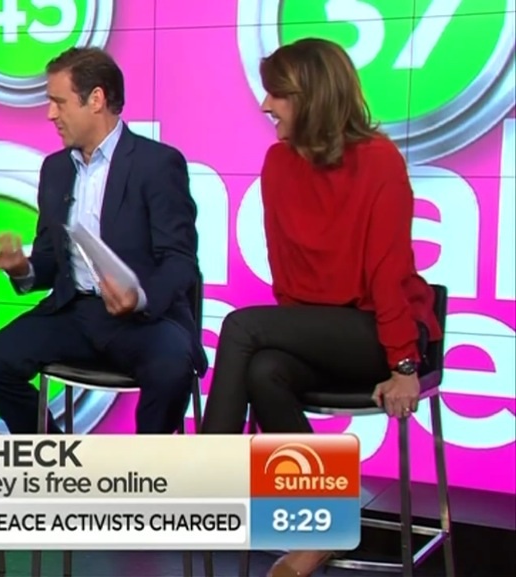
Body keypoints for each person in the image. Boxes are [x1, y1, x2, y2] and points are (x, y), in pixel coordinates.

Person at [198, 38, 443, 577]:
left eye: (278, 94)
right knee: (265, 369)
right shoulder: (278, 163)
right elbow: (287, 270)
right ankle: (324, 523)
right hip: (320, 331)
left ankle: (207, 477)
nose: (265, 105)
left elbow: (388, 272)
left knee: (241, 327)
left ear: (312, 97)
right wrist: (293, 333)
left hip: (381, 334)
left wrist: (404, 365)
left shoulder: (378, 160)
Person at [0, 47, 206, 435]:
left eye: (59, 102)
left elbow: (180, 261)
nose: (50, 114)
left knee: (171, 368)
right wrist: (22, 268)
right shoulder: (56, 169)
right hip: (73, 312)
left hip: (143, 319)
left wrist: (138, 297)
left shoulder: (157, 164)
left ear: (95, 99)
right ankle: (57, 456)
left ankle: (147, 469)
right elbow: (49, 261)